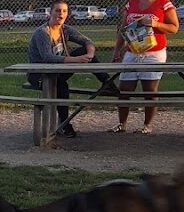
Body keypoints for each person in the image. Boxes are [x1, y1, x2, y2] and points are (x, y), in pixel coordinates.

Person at [28, 0, 118, 138]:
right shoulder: (43, 33)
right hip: (40, 74)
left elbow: (87, 42)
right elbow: (47, 57)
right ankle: (64, 125)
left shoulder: (65, 29)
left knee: (83, 51)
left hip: (57, 70)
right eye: (57, 10)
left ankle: (107, 83)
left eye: (64, 11)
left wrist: (89, 55)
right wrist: (76, 60)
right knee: (61, 85)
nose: (61, 14)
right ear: (50, 12)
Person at [109, 0, 179, 134]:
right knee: (125, 88)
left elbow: (174, 27)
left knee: (149, 89)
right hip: (133, 50)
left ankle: (147, 125)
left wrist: (155, 24)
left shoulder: (164, 3)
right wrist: (117, 50)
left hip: (154, 52)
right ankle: (121, 124)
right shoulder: (131, 3)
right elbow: (124, 28)